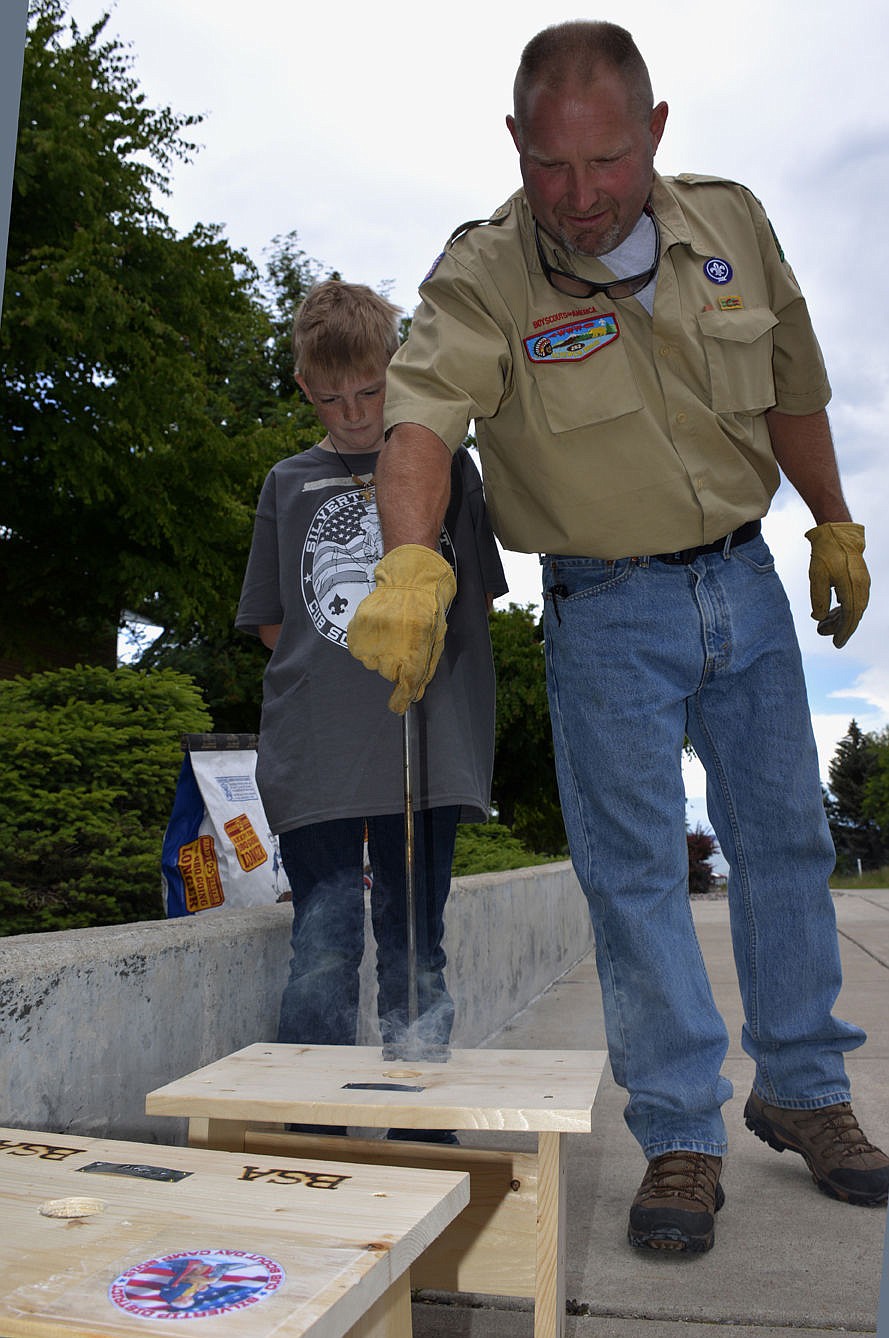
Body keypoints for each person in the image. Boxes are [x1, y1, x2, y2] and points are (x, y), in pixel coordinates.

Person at [347, 21, 888, 1248]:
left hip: (743, 585)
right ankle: (682, 1135)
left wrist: (837, 524)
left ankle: (803, 1095)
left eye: (606, 163)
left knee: (790, 846)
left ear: (653, 133)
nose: (580, 199)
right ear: (514, 144)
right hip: (603, 608)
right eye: (550, 166)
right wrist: (409, 559)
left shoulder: (733, 224)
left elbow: (794, 383)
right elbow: (421, 420)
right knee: (636, 878)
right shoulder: (482, 271)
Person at [236, 280, 506, 1141]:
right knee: (320, 948)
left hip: (423, 755)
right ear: (305, 391)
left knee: (414, 948)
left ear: (397, 374)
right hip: (317, 757)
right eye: (330, 397)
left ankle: (420, 1137)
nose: (353, 414)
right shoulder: (288, 482)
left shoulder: (447, 471)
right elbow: (274, 620)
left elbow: (473, 604)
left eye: (370, 392)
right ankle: (305, 1140)